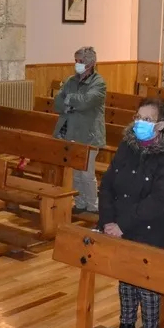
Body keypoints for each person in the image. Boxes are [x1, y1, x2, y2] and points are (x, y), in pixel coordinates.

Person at [100, 97, 164, 328]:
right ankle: (125, 327)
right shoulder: (128, 147)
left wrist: (122, 224)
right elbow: (108, 184)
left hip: (149, 229)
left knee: (147, 284)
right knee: (126, 278)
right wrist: (108, 221)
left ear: (160, 125)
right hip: (120, 226)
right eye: (138, 117)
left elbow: (159, 200)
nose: (140, 123)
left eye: (147, 119)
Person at [53, 46, 106, 214]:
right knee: (75, 172)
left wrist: (69, 99)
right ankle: (80, 203)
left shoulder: (99, 83)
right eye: (75, 61)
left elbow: (86, 102)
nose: (77, 64)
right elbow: (57, 102)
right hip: (71, 131)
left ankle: (93, 205)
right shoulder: (71, 80)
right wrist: (69, 104)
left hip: (89, 134)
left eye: (80, 61)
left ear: (90, 63)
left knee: (87, 173)